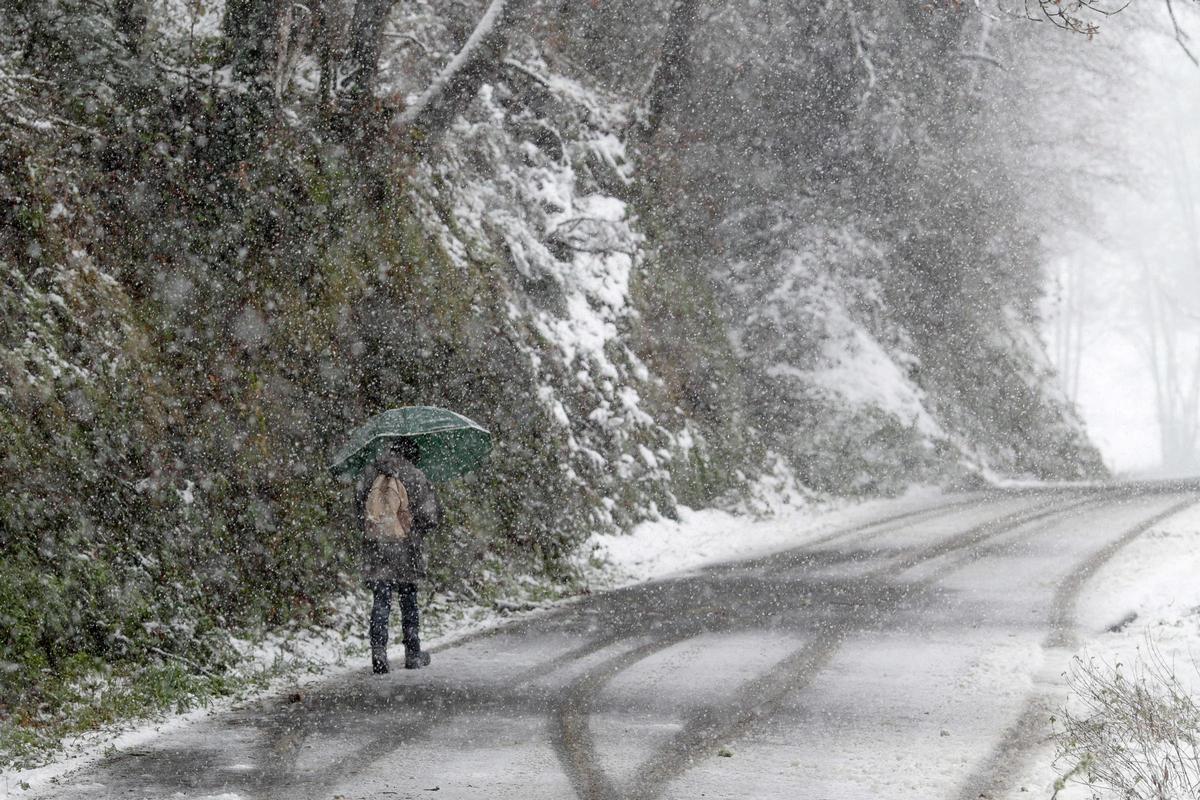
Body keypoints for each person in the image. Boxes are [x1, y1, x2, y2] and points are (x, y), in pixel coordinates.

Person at [356, 439, 440, 673]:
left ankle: (379, 653)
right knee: (408, 600)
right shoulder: (416, 476)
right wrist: (414, 530)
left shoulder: (371, 472)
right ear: (413, 454)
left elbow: (359, 513)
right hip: (407, 549)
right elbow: (430, 517)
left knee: (381, 599)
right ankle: (412, 653)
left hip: (377, 548)